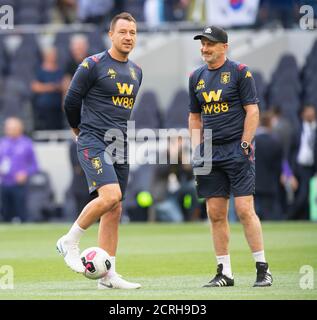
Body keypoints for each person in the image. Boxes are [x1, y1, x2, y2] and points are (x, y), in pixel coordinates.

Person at [56, 12, 142, 290]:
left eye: (132, 32)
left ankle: (108, 278)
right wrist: (77, 130)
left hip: (120, 143)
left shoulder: (136, 71)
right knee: (111, 195)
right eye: (123, 32)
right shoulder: (92, 64)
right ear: (111, 35)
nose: (128, 37)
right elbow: (71, 100)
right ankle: (69, 241)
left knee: (115, 209)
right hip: (93, 139)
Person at [188, 26, 273, 287]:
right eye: (202, 43)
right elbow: (194, 116)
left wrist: (245, 144)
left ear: (224, 46)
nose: (204, 48)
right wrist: (196, 149)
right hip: (210, 152)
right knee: (215, 213)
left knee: (244, 210)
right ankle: (225, 272)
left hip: (236, 149)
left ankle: (262, 269)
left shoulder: (240, 72)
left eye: (210, 43)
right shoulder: (195, 77)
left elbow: (253, 111)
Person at [0, 117, 39, 222]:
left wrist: (25, 173)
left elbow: (35, 166)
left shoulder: (26, 143)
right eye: (8, 128)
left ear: (20, 129)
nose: (10, 130)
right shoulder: (2, 143)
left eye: (13, 128)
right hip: (4, 184)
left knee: (22, 214)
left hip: (20, 185)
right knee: (5, 215)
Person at [31, 47, 64, 130]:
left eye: (53, 55)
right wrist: (51, 87)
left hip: (58, 107)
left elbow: (64, 84)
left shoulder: (60, 70)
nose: (52, 56)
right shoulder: (38, 70)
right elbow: (35, 87)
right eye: (50, 55)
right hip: (43, 108)